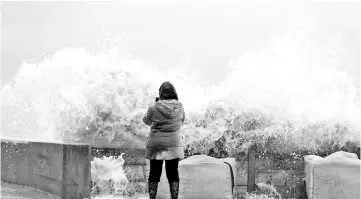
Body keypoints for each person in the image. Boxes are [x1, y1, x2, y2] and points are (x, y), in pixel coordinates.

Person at [143, 81, 185, 199]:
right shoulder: (180, 107)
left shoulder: (153, 107)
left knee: (154, 173)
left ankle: (152, 198)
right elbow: (182, 121)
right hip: (173, 143)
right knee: (173, 173)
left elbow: (146, 121)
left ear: (160, 93)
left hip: (157, 144)